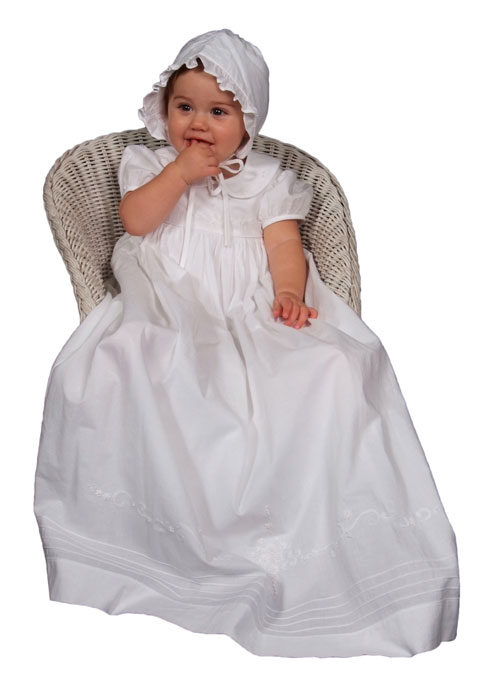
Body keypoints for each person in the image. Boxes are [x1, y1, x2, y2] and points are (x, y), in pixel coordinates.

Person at [33, 28, 460, 658]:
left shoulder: (267, 180)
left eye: (218, 112)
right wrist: (179, 174)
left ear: (248, 120)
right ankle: (168, 544)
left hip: (247, 306)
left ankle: (302, 536)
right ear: (164, 110)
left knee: (334, 368)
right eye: (185, 108)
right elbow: (137, 221)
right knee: (141, 360)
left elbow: (285, 246)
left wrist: (288, 291)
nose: (198, 124)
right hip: (170, 300)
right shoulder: (149, 165)